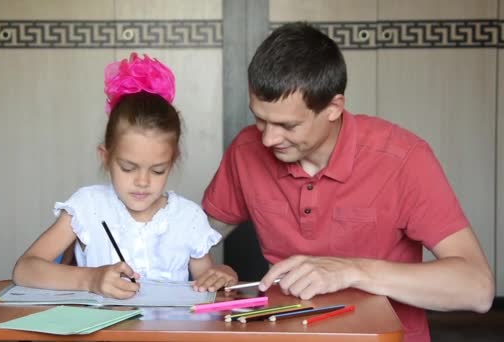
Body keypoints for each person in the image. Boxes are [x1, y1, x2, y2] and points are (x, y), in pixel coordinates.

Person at [203, 22, 494, 341]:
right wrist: (202, 267)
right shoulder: (247, 150)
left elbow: (476, 288)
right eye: (260, 119)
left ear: (333, 108)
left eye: (288, 125)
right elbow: (192, 235)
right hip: (284, 333)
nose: (270, 138)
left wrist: (351, 271)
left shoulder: (403, 159)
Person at [13, 53, 238, 299]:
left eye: (157, 170)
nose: (142, 181)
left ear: (172, 162)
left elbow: (207, 279)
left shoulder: (187, 218)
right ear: (106, 157)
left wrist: (223, 273)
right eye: (128, 168)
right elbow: (25, 269)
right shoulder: (87, 207)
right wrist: (90, 279)